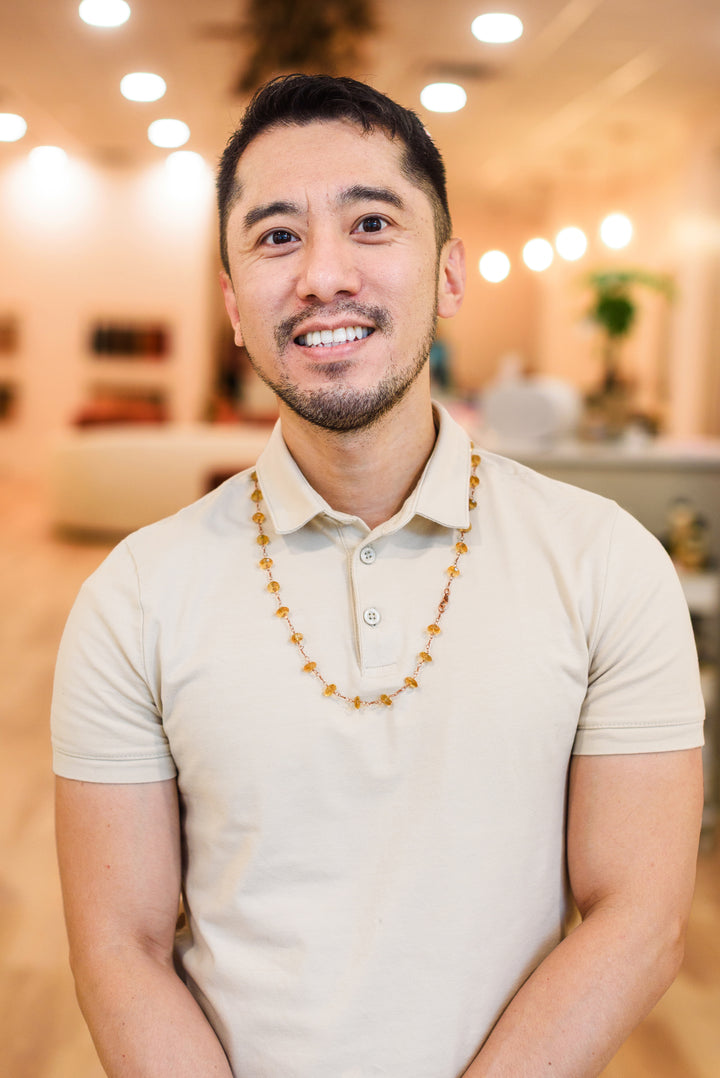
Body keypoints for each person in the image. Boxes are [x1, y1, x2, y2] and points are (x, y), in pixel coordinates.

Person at [52, 74, 705, 1078]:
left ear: (448, 274)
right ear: (232, 305)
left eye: (370, 222)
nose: (322, 274)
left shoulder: (606, 561)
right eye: (276, 237)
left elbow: (642, 916)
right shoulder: (133, 596)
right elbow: (120, 946)